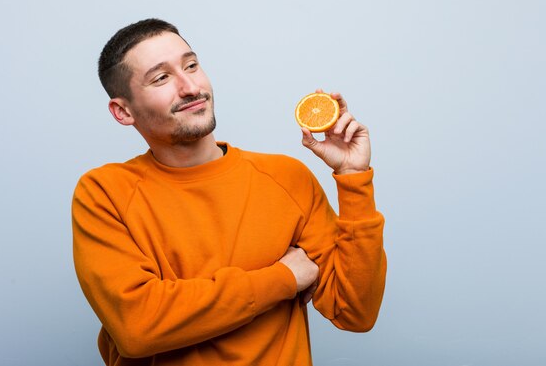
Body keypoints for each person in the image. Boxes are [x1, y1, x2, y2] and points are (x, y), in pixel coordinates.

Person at [72, 18, 387, 366]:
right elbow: (137, 327)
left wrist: (354, 178)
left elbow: (356, 312)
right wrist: (283, 277)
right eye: (161, 78)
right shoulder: (103, 193)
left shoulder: (287, 178)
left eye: (191, 65)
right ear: (123, 111)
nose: (190, 86)